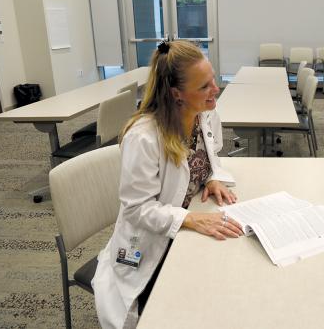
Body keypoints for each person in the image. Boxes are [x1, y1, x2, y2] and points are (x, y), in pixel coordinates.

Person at [92, 40, 244, 329]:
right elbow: (137, 209)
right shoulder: (144, 137)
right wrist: (188, 218)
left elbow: (213, 153)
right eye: (204, 86)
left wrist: (211, 177)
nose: (216, 89)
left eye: (213, 79)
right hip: (151, 242)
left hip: (186, 228)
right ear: (177, 94)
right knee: (183, 309)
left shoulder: (206, 113)